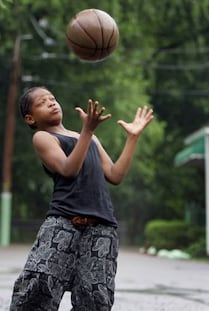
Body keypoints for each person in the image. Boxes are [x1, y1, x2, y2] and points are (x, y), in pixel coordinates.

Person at [10, 86, 153, 311]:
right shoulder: (43, 137)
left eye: (52, 98)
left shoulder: (89, 138)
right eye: (41, 102)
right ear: (30, 118)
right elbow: (69, 169)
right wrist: (87, 131)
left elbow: (115, 175)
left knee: (95, 297)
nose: (51, 102)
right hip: (63, 223)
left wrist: (132, 138)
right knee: (37, 288)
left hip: (102, 227)